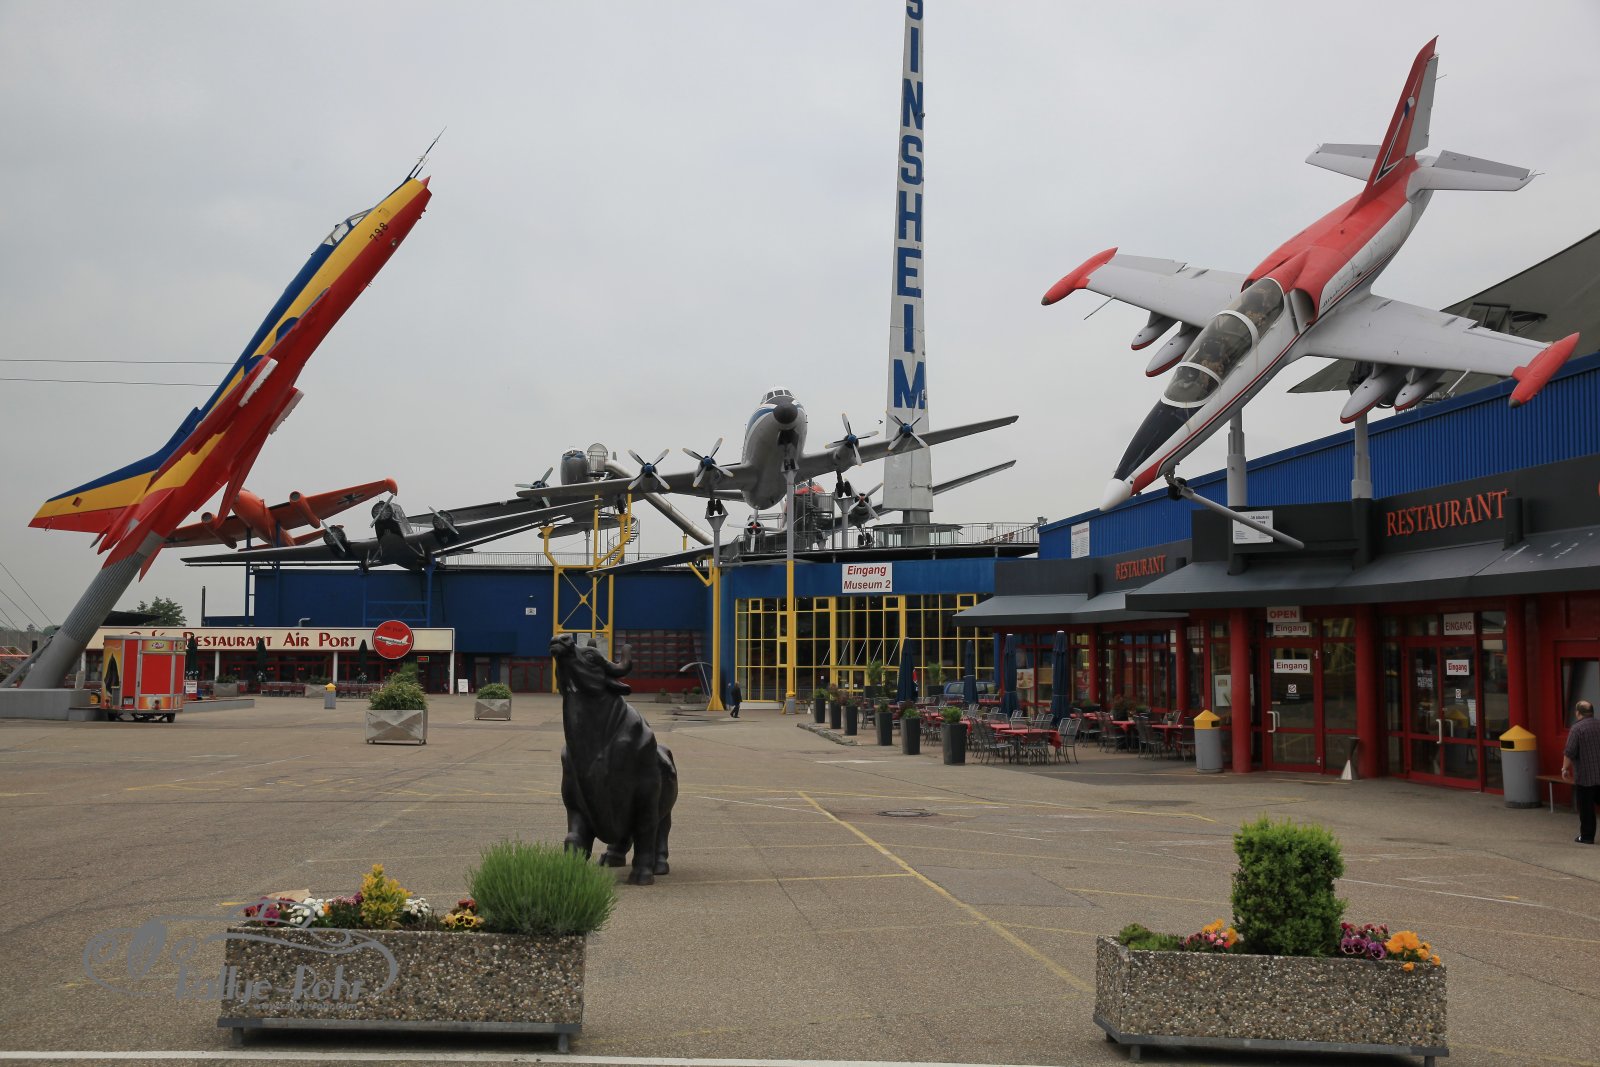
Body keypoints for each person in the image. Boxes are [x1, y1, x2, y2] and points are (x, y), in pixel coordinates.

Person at [1562, 699, 1599, 844]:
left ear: (1578, 713)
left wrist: (1565, 768)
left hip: (1585, 777)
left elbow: (1569, 751)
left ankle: (1587, 837)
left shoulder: (1577, 728)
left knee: (1586, 809)